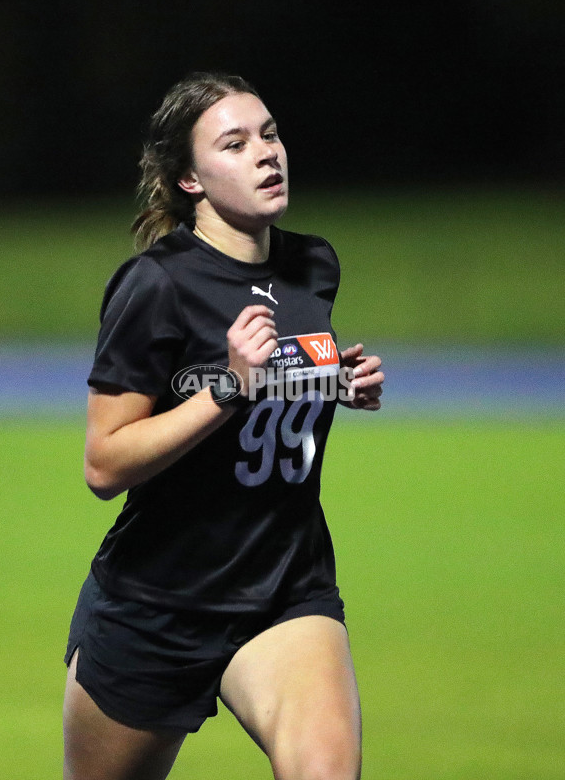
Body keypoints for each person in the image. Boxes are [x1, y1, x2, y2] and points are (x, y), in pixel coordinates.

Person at [63, 72, 384, 780]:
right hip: (157, 607)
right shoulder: (155, 286)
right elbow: (104, 466)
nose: (266, 153)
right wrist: (228, 390)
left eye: (269, 134)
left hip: (284, 590)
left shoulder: (313, 266)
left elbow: (282, 382)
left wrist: (336, 384)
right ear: (190, 181)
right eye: (234, 144)